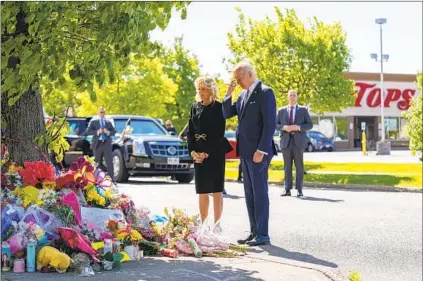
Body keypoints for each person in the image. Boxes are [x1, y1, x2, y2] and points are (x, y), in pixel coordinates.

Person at [222, 62, 277, 246]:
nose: (237, 81)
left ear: (250, 74)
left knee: (260, 192)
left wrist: (261, 150)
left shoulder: (265, 92)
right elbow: (227, 112)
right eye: (236, 79)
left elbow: (270, 124)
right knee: (249, 193)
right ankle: (254, 232)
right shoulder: (243, 94)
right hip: (245, 151)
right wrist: (229, 94)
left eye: (239, 78)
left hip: (259, 152)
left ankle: (263, 234)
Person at [187, 76, 233, 233]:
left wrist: (206, 153)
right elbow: (190, 132)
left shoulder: (219, 107)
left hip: (215, 151)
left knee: (216, 189)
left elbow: (219, 133)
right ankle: (204, 223)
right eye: (198, 89)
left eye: (203, 89)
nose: (200, 92)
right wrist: (193, 152)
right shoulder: (194, 107)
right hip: (198, 152)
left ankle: (217, 224)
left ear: (211, 90)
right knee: (202, 189)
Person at [276, 90, 313, 197]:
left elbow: (309, 125)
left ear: (297, 97)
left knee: (299, 167)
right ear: (287, 97)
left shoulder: (303, 110)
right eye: (290, 95)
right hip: (285, 142)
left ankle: (299, 190)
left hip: (299, 142)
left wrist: (299, 127)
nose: (292, 97)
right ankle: (287, 189)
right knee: (287, 167)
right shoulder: (281, 110)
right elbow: (275, 124)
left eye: (294, 95)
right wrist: (284, 127)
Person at [84, 107, 117, 182]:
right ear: (98, 113)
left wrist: (107, 132)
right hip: (97, 143)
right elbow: (88, 132)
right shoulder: (94, 122)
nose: (102, 114)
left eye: (103, 112)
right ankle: (95, 179)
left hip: (106, 143)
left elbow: (114, 132)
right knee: (96, 162)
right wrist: (97, 132)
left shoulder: (108, 122)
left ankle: (112, 180)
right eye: (101, 112)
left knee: (109, 162)